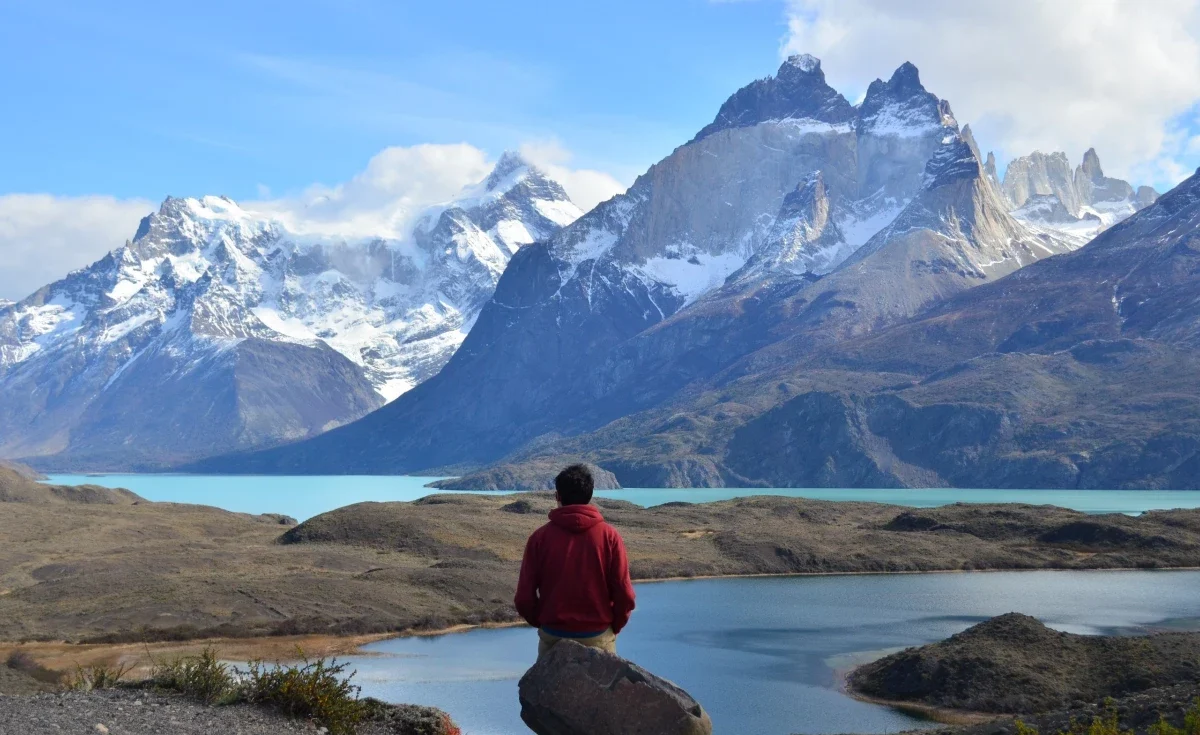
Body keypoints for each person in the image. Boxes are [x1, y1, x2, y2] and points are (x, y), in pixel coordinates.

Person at [514, 464, 636, 658]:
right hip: (598, 636)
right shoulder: (610, 536)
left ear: (558, 497)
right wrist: (613, 626)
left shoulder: (539, 538)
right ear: (590, 495)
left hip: (553, 637)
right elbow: (625, 594)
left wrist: (544, 623)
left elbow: (523, 599)